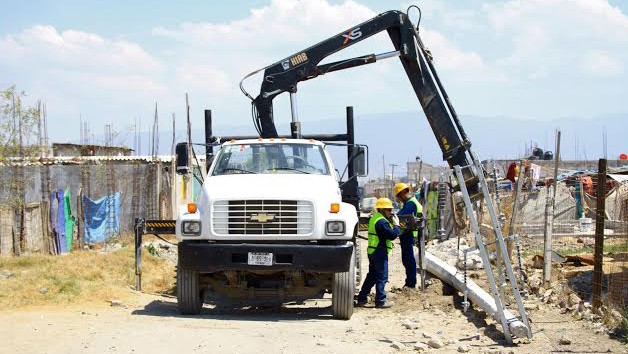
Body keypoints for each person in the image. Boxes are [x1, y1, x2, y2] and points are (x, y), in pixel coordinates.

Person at [356, 197, 400, 308]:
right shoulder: (381, 221)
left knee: (372, 276)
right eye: (388, 210)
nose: (391, 212)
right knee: (382, 276)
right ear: (381, 209)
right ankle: (380, 301)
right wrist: (396, 225)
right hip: (379, 252)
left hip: (372, 251)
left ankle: (362, 298)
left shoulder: (374, 218)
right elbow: (392, 235)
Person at [394, 182, 423, 289]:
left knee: (408, 260)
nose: (398, 199)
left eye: (398, 196)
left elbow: (400, 217)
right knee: (408, 259)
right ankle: (410, 282)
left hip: (409, 234)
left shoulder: (410, 203)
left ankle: (410, 284)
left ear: (402, 193)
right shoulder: (411, 202)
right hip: (409, 234)